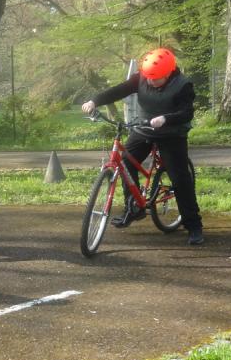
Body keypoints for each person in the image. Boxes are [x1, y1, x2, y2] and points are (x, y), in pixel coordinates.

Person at [80, 47, 205, 245]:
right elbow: (119, 90)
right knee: (126, 162)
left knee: (179, 178)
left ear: (168, 74)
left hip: (172, 133)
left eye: (156, 78)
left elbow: (186, 113)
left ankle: (194, 225)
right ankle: (133, 208)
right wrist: (95, 101)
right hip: (144, 128)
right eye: (148, 77)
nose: (150, 81)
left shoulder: (182, 85)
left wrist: (166, 119)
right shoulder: (142, 77)